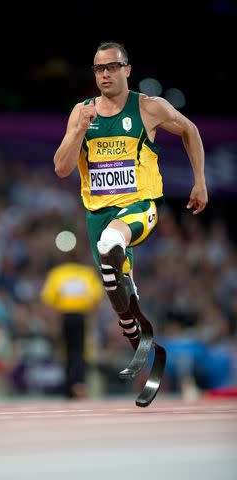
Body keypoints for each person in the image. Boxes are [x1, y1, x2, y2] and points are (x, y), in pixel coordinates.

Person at [53, 41, 208, 363]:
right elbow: (62, 168)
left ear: (127, 70)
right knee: (115, 283)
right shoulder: (82, 112)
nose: (106, 74)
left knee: (111, 243)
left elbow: (189, 130)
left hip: (140, 206)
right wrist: (78, 130)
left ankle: (131, 318)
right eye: (99, 68)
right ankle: (132, 327)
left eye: (112, 67)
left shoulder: (149, 107)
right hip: (98, 211)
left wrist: (200, 182)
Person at [40, 250, 103, 399]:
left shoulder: (57, 273)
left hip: (65, 317)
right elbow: (96, 299)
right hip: (81, 316)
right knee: (79, 351)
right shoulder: (86, 273)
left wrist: (53, 323)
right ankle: (79, 383)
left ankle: (70, 386)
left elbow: (49, 300)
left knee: (67, 352)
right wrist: (92, 320)